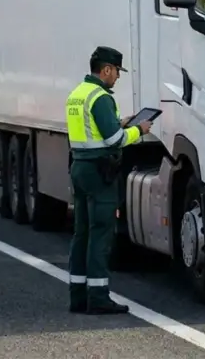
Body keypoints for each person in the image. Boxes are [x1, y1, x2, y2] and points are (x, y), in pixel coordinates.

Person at [65, 46, 153, 314]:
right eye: (116, 71)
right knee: (101, 234)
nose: (117, 77)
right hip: (98, 171)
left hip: (79, 167)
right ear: (106, 70)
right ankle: (98, 297)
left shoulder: (78, 94)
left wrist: (120, 122)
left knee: (81, 233)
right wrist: (138, 130)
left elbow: (91, 129)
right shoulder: (101, 97)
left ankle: (78, 296)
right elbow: (115, 140)